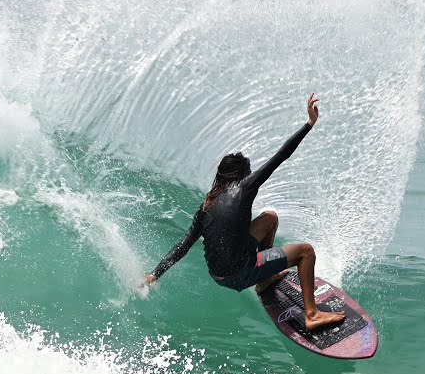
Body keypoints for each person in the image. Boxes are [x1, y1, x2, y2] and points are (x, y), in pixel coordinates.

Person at [143, 93, 347, 331]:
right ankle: (311, 314)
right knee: (305, 252)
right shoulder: (244, 188)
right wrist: (309, 124)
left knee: (269, 218)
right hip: (237, 273)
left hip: (218, 273)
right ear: (241, 175)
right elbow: (280, 156)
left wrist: (155, 274)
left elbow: (184, 245)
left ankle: (265, 280)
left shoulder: (207, 203)